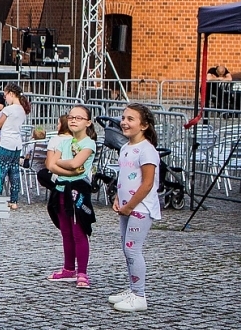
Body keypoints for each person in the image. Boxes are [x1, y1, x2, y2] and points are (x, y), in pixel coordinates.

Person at [108, 103, 160, 312]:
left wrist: (130, 205)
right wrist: (118, 199)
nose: (124, 122)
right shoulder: (125, 148)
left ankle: (139, 294)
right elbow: (124, 178)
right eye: (123, 118)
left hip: (140, 208)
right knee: (126, 249)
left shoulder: (147, 151)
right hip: (127, 207)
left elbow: (147, 183)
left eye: (131, 119)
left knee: (133, 249)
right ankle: (133, 288)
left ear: (144, 125)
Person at [45, 105, 98, 289]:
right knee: (65, 232)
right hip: (61, 189)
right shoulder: (63, 142)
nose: (73, 120)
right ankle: (68, 268)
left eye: (79, 118)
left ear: (88, 122)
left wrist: (64, 165)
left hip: (78, 191)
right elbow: (51, 166)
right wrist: (68, 169)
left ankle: (82, 271)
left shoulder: (89, 144)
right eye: (71, 117)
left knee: (78, 232)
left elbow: (77, 163)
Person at [0, 83, 30, 209]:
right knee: (14, 172)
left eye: (6, 95)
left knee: (1, 170)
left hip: (6, 142)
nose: (5, 98)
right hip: (17, 143)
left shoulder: (9, 109)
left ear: (11, 94)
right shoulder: (22, 109)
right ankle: (14, 200)